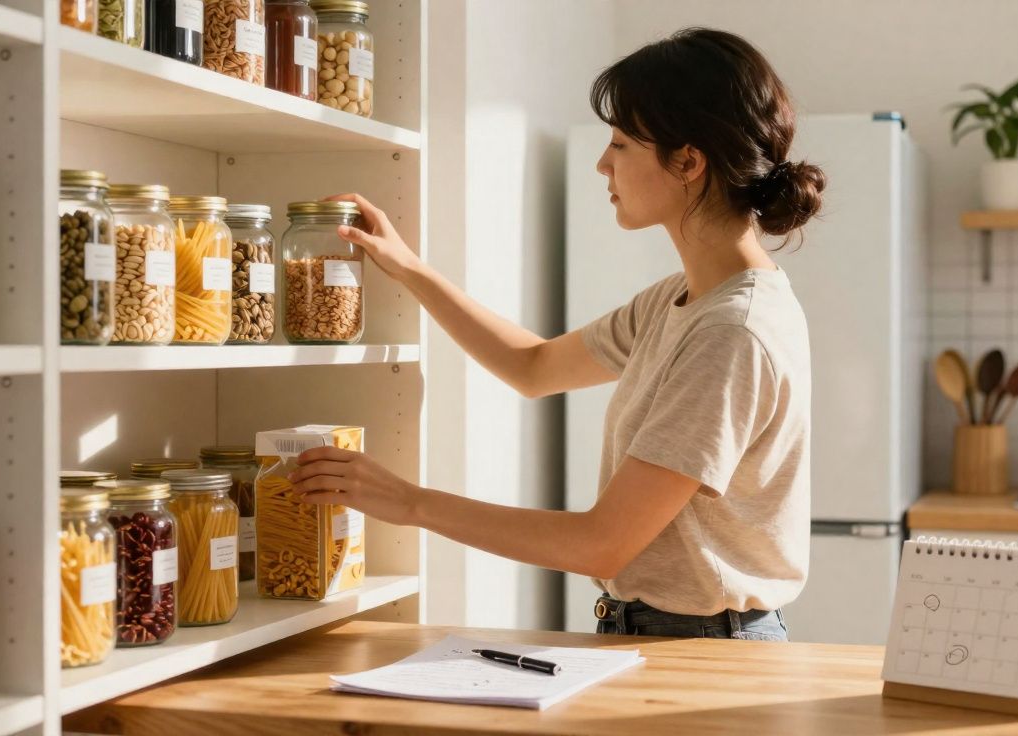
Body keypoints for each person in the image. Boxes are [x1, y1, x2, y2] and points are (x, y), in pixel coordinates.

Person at [289, 27, 824, 640]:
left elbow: (602, 544)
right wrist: (409, 267)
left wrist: (409, 503)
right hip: (660, 633)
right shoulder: (679, 301)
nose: (603, 162)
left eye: (621, 143)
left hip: (706, 645)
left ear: (688, 161)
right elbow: (534, 367)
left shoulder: (732, 331)